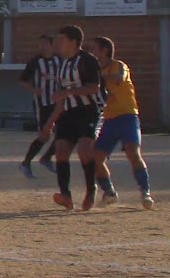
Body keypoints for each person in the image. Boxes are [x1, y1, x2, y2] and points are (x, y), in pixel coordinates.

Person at [43, 24, 104, 211]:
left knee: (85, 150)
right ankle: (66, 196)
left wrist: (69, 92)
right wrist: (50, 122)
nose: (57, 43)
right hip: (68, 114)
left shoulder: (87, 60)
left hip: (88, 111)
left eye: (61, 39)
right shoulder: (63, 64)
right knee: (61, 151)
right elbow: (61, 97)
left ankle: (91, 190)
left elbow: (94, 87)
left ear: (73, 41)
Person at [88, 36, 153, 209]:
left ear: (104, 51)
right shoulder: (95, 71)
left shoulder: (118, 65)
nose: (91, 53)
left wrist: (100, 77)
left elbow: (119, 78)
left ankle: (145, 191)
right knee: (96, 157)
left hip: (127, 116)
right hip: (109, 119)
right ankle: (109, 192)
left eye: (94, 49)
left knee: (133, 152)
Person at [19, 35, 61, 176]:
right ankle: (26, 163)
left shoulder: (59, 60)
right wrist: (33, 90)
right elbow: (22, 81)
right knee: (44, 135)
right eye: (40, 44)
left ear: (51, 45)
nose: (42, 47)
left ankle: (47, 157)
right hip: (42, 104)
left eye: (44, 44)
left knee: (64, 133)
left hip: (58, 103)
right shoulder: (35, 62)